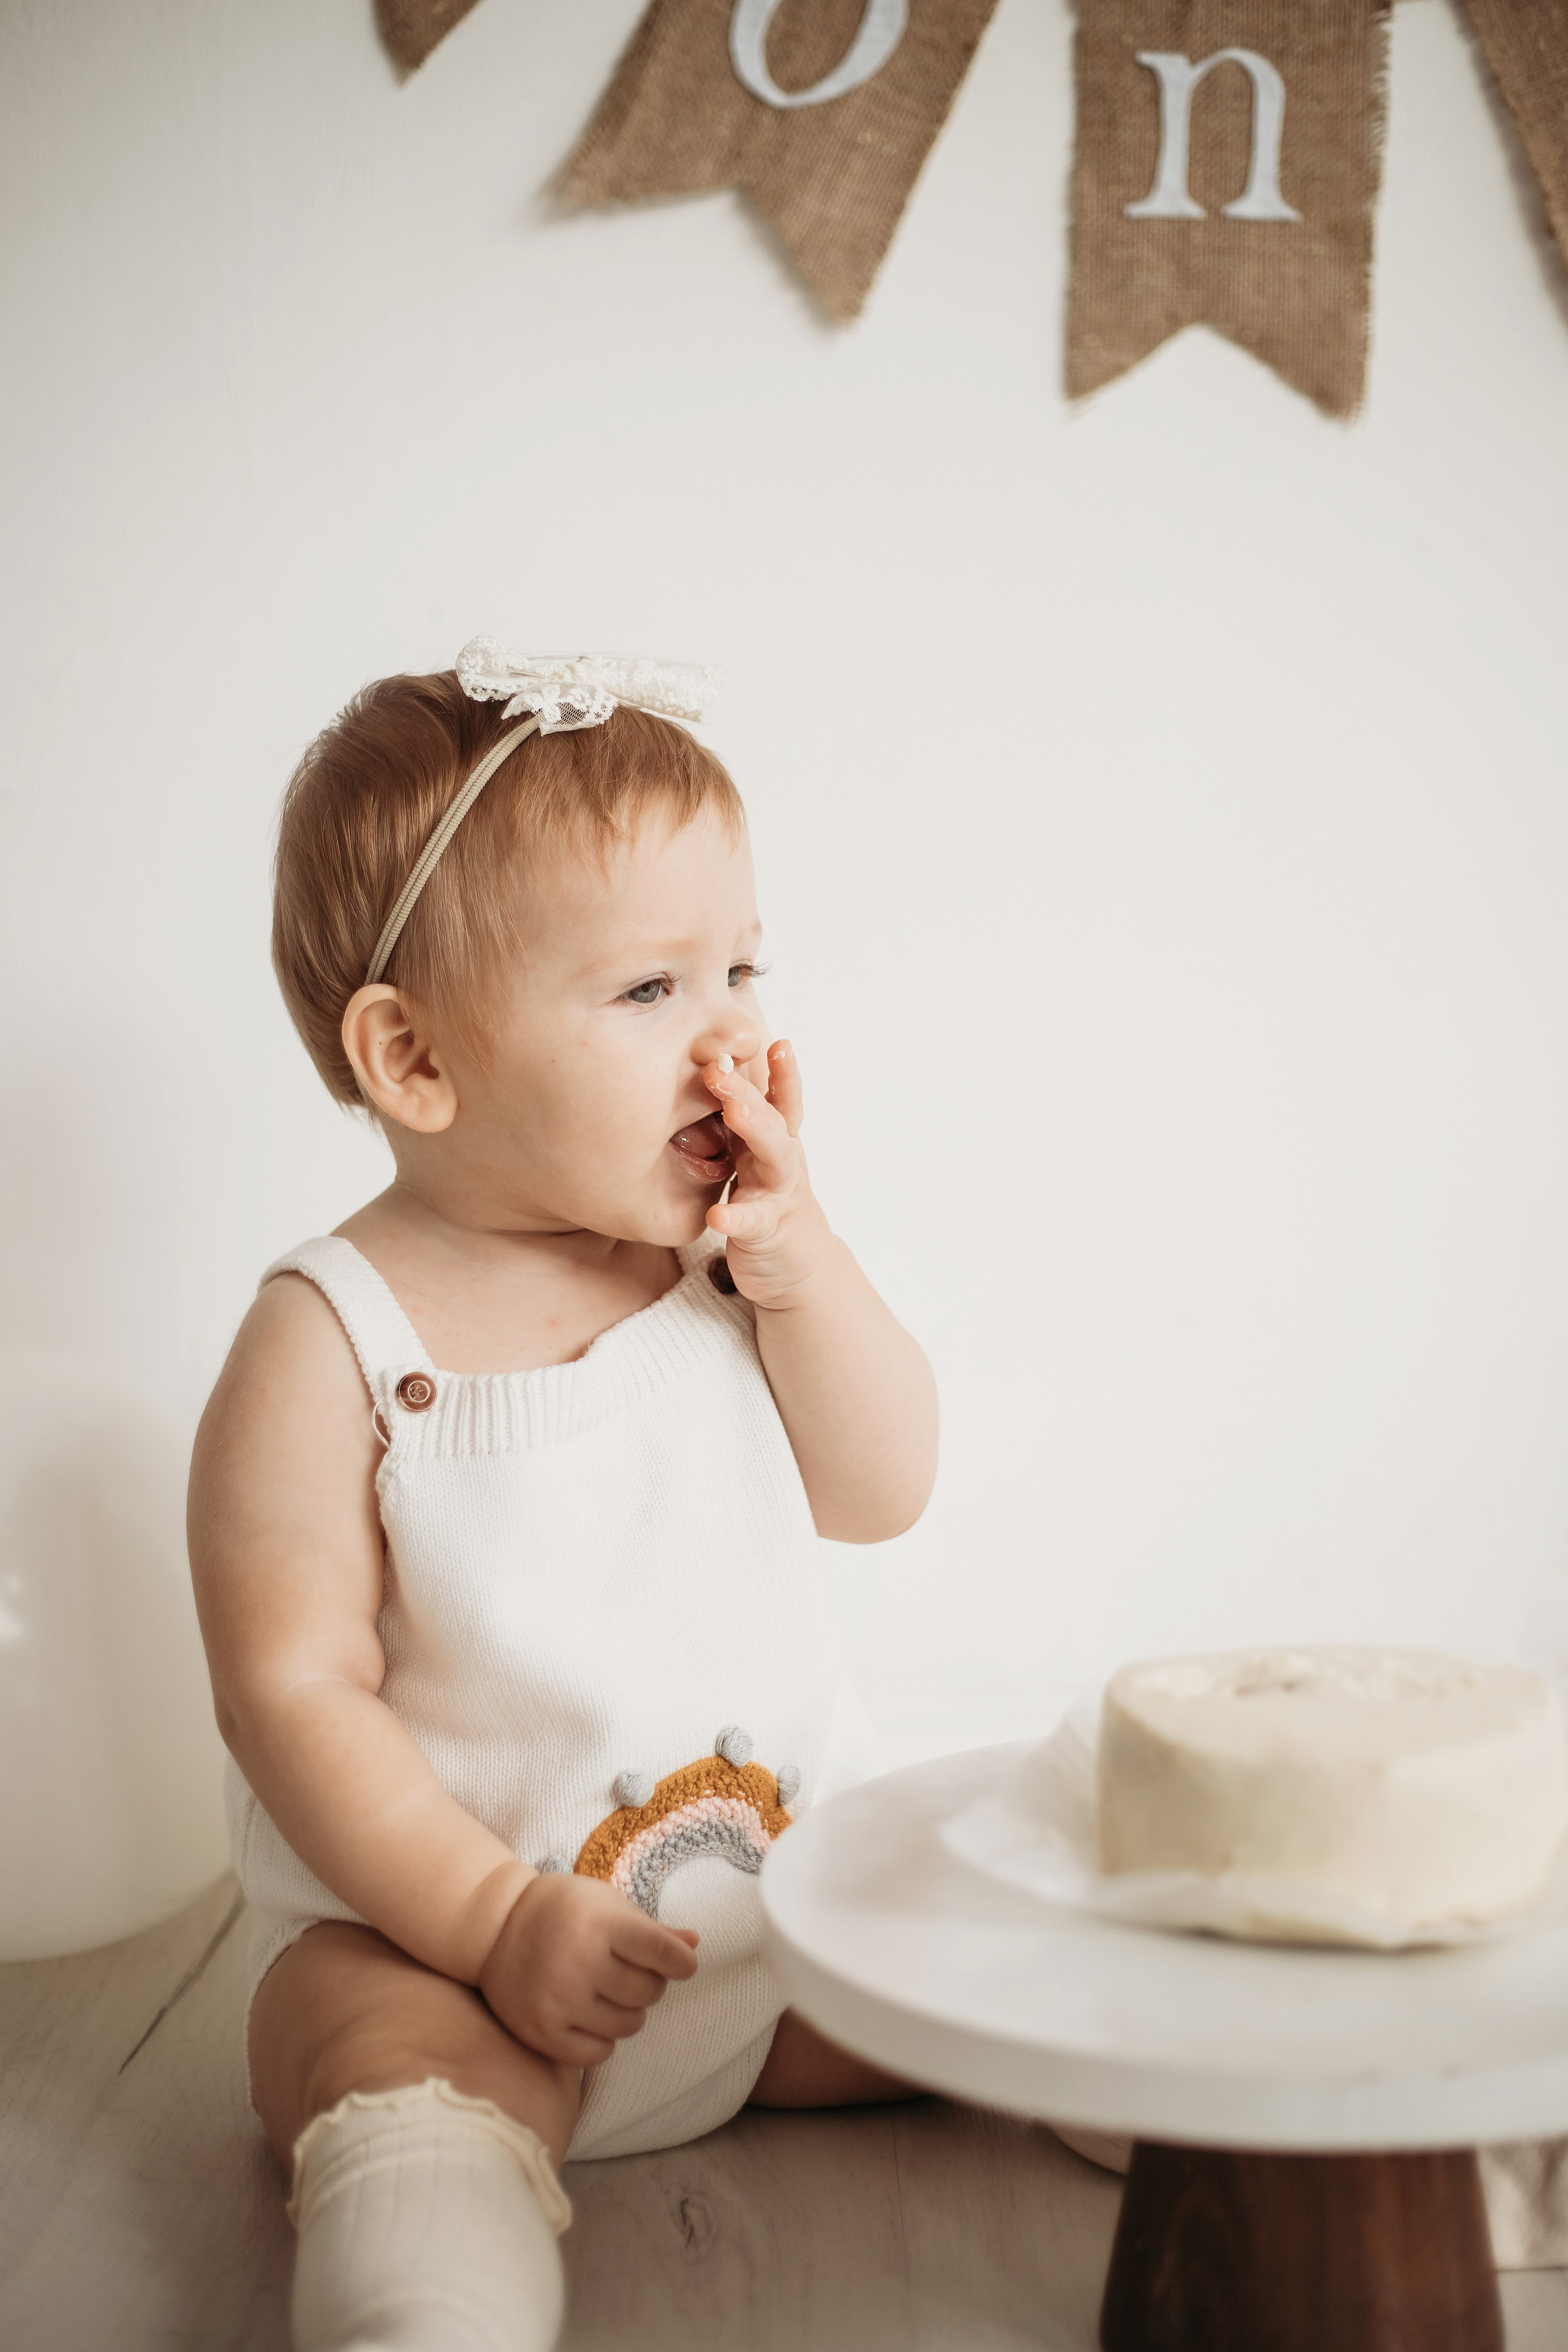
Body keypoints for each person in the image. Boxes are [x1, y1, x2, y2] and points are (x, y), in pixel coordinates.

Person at [188, 641, 939, 2352]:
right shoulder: (333, 1341)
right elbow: (290, 1693)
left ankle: (1289, 2131)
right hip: (452, 1955)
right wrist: (491, 1919)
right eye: (650, 989)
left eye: (742, 965)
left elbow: (884, 1491)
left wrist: (808, 1270)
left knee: (1007, 1960)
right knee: (368, 2051)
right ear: (415, 1058)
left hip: (772, 1919)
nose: (734, 1032)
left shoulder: (725, 1268)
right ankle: (428, 2294)